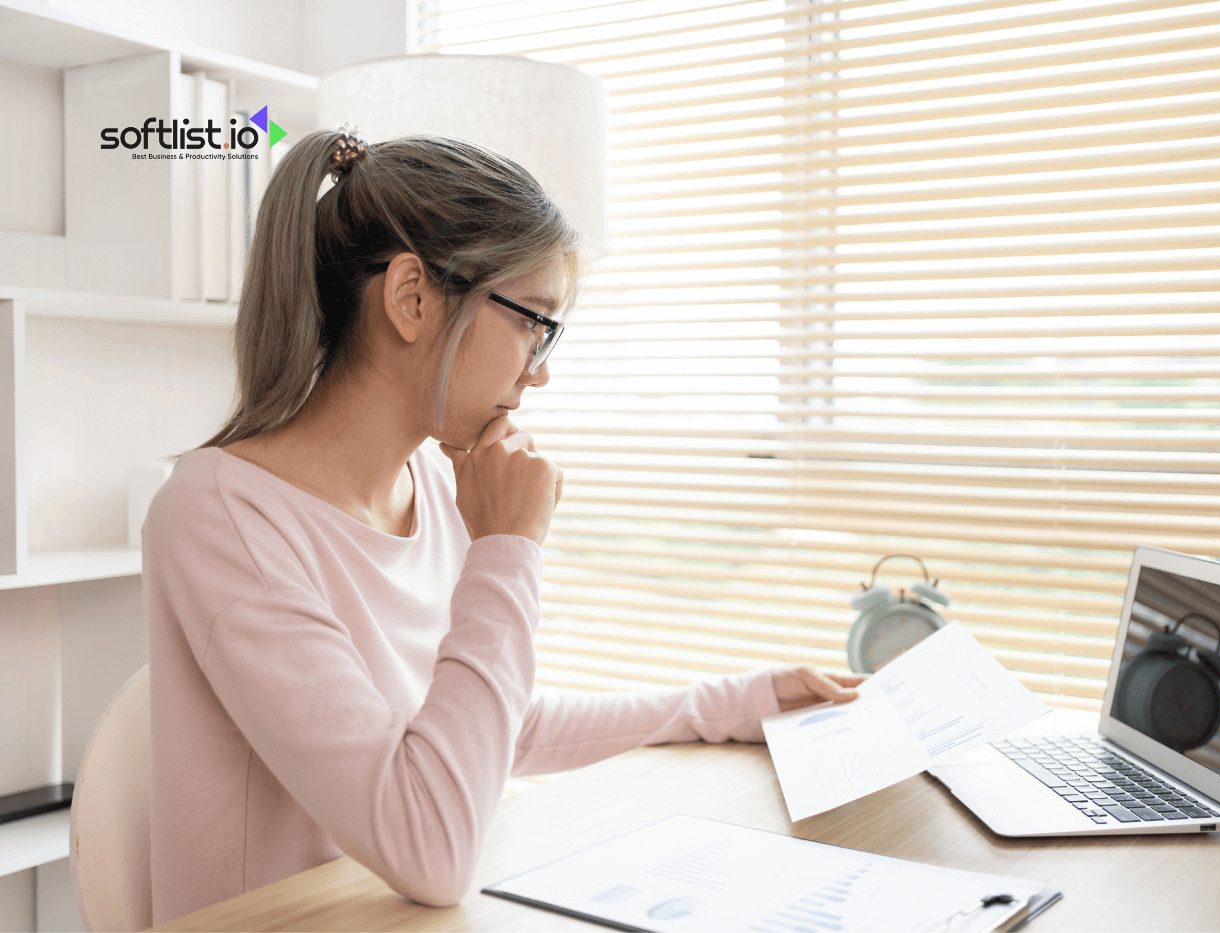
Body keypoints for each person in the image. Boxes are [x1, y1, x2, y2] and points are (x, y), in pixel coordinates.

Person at [143, 125, 864, 925]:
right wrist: (508, 546)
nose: (542, 367)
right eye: (533, 320)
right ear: (412, 297)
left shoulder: (424, 480)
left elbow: (492, 726)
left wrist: (738, 702)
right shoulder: (221, 515)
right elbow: (431, 845)